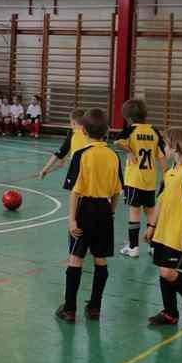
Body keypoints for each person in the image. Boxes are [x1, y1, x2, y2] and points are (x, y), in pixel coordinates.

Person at [56, 109, 123, 323]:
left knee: (76, 258)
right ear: (107, 131)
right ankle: (95, 307)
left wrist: (72, 219)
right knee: (100, 259)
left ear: (83, 130)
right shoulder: (114, 156)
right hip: (104, 210)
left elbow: (75, 191)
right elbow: (117, 191)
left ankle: (69, 309)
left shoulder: (81, 155)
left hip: (84, 209)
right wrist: (111, 212)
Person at [144, 127, 182, 326]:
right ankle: (170, 313)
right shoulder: (170, 172)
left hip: (178, 232)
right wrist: (152, 225)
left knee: (167, 272)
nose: (163, 148)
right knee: (163, 269)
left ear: (176, 147)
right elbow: (160, 201)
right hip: (163, 231)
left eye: (166, 144)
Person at [114, 99, 168, 258]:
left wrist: (129, 151)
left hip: (134, 180)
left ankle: (133, 247)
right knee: (151, 212)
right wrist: (167, 175)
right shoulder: (154, 131)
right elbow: (162, 156)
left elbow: (117, 142)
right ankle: (154, 246)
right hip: (150, 180)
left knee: (134, 211)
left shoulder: (131, 130)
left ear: (127, 118)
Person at [37, 108, 88, 180]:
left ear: (73, 122)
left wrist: (44, 170)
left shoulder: (73, 135)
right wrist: (65, 158)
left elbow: (59, 154)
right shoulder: (92, 133)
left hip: (77, 171)